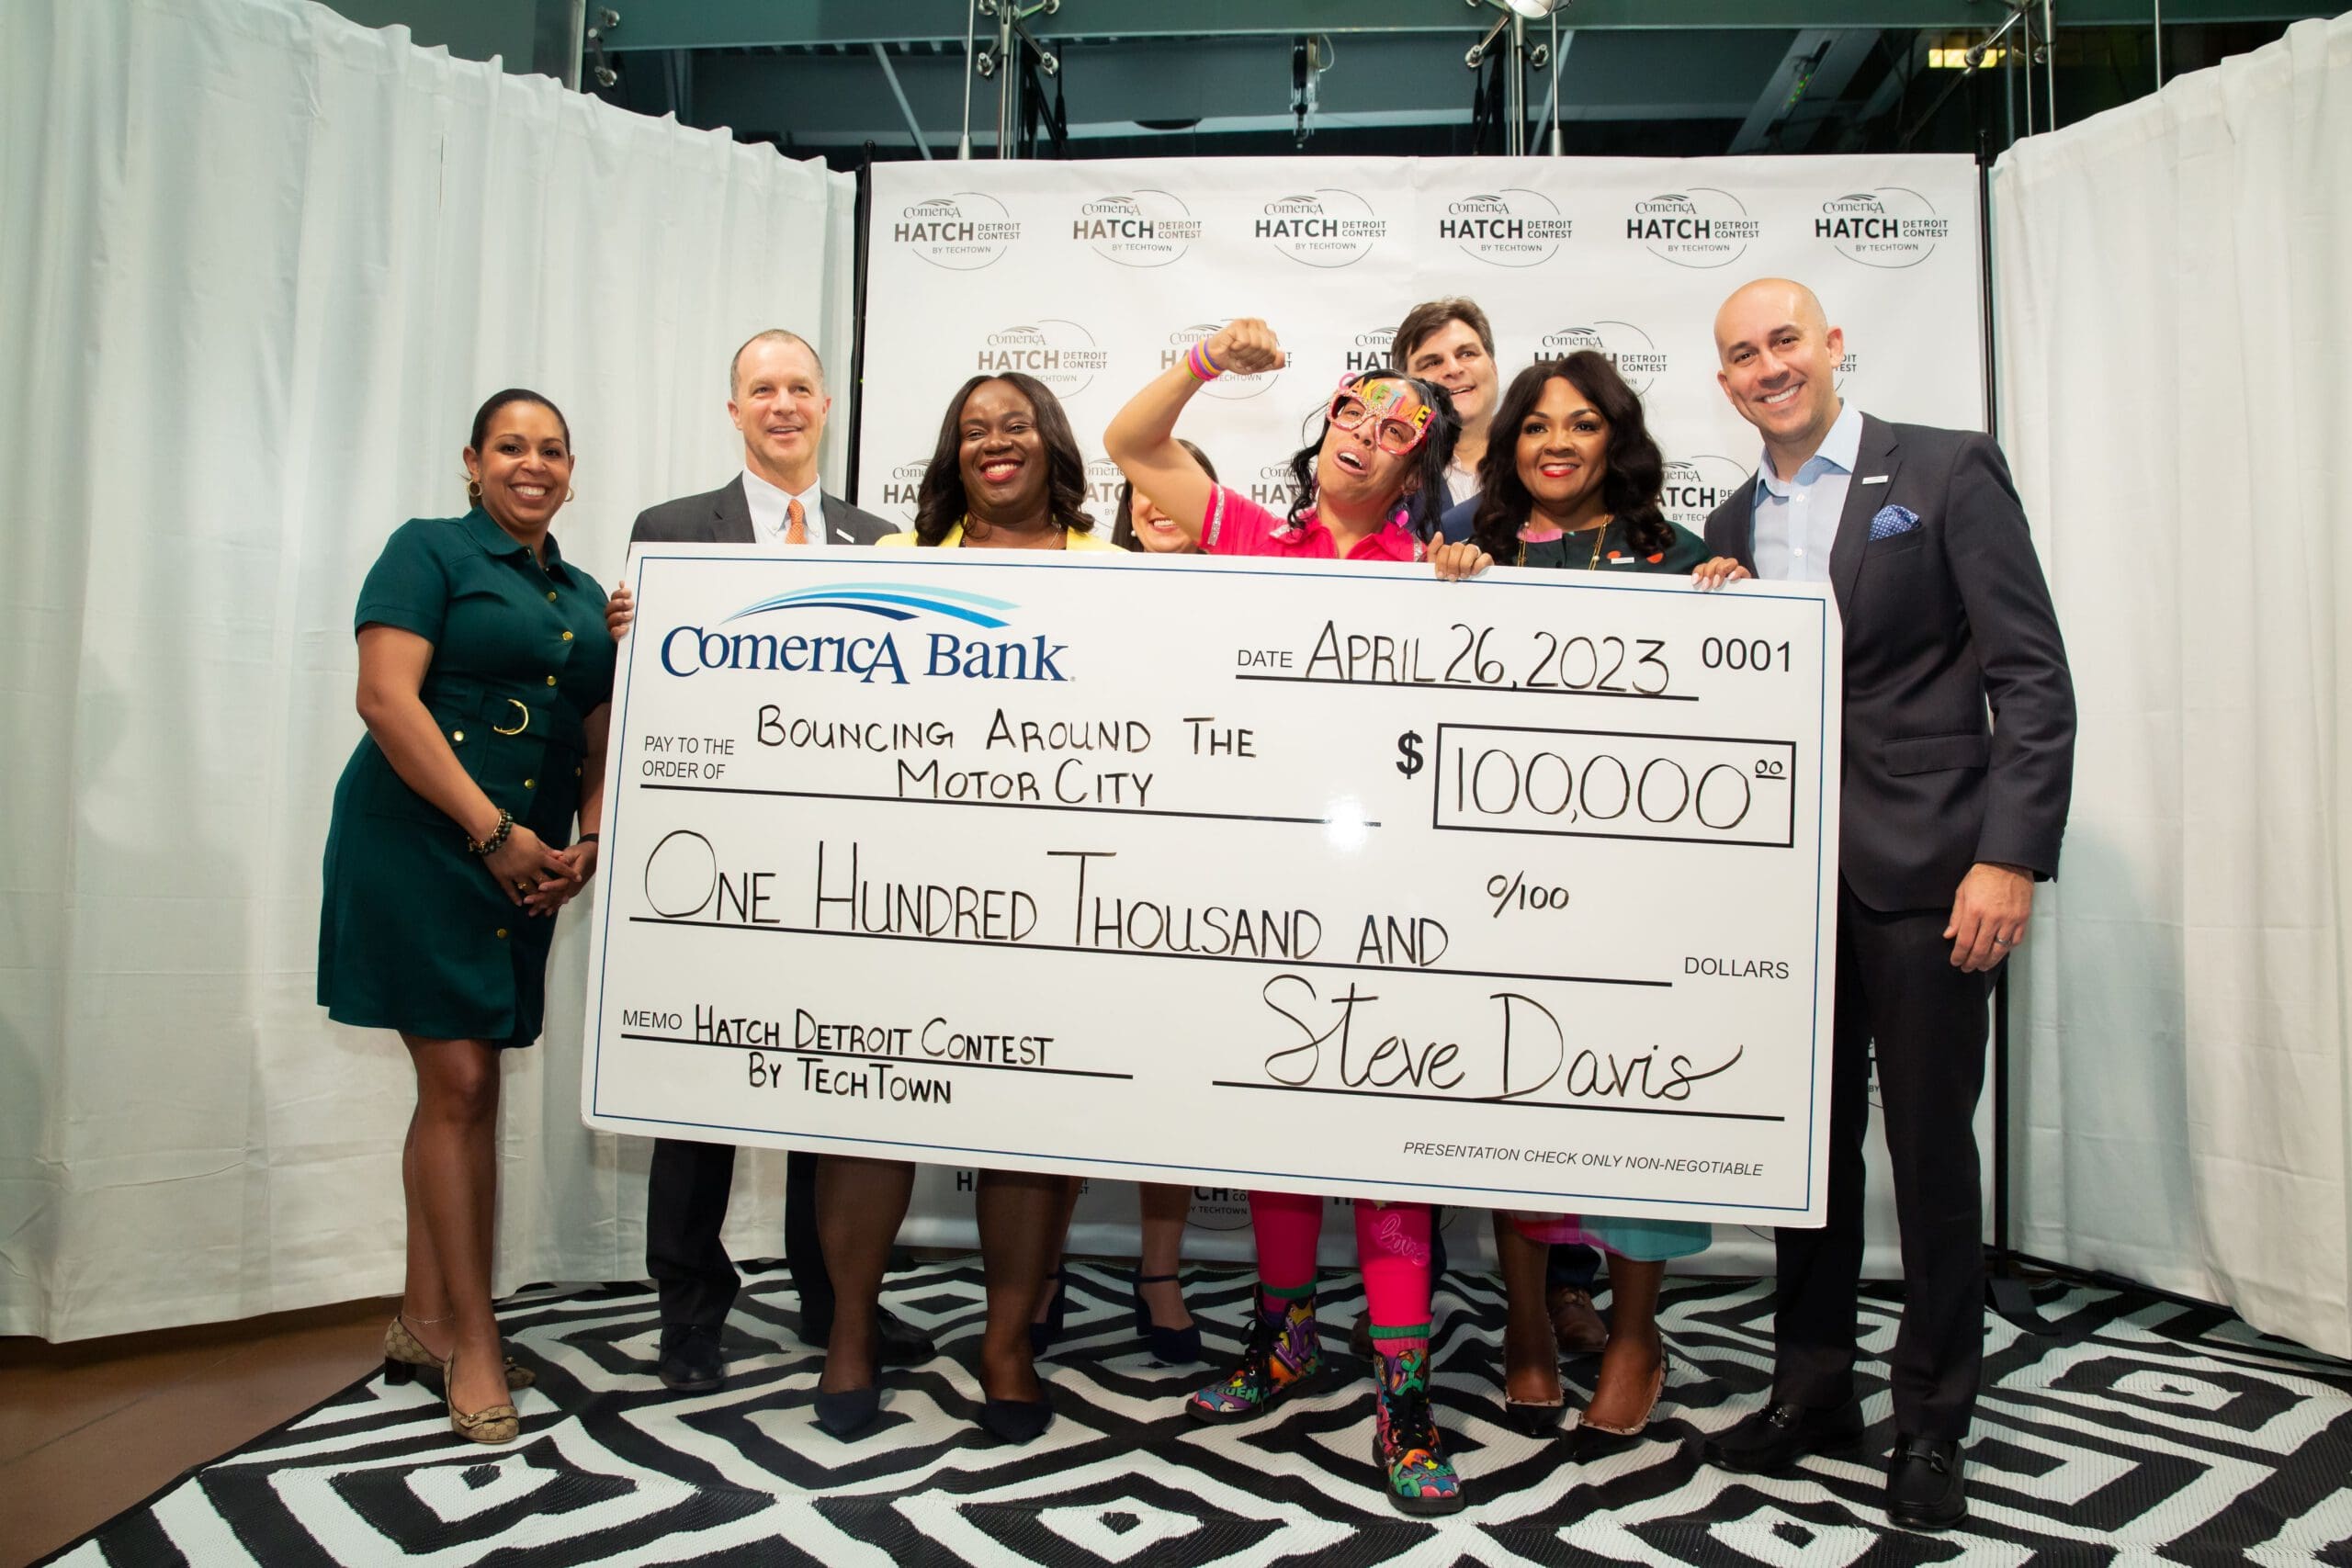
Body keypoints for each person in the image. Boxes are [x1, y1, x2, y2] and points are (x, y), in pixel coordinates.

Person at [1688, 279, 2075, 1530]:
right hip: (1785, 892)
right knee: (1805, 1163)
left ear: (1834, 346)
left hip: (1931, 874)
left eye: (1784, 341)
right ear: (1726, 381)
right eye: (1743, 355)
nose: (1768, 367)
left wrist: (2008, 854)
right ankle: (1813, 1390)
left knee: (1929, 1156)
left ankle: (1932, 1419)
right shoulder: (1729, 517)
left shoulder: (1949, 470)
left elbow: (2032, 676)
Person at [1104, 319, 1470, 1517]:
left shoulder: (1441, 567)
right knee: (1275, 1123)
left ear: (1417, 469)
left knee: (1387, 1152)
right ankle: (1285, 1337)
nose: (1365, 432)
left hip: (1395, 896)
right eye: (1355, 411)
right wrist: (1209, 361)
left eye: (1396, 428)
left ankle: (1402, 1393)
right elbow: (1129, 440)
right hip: (1264, 886)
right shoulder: (1257, 537)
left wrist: (1467, 591)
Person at [604, 330, 933, 1396]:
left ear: (827, 405)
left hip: (841, 860)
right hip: (712, 861)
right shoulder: (668, 534)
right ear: (733, 410)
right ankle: (690, 1312)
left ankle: (835, 1302)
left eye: (798, 387)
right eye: (762, 390)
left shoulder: (885, 542)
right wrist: (636, 638)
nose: (782, 405)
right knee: (698, 1092)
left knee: (823, 1088)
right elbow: (659, 696)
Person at [820, 371, 1110, 1445]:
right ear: (953, 456)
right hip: (905, 886)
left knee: (1029, 1120)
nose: (995, 441)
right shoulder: (896, 567)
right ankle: (852, 1331)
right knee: (870, 1110)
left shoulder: (1116, 573)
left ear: (1050, 445)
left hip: (1053, 896)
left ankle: (1004, 1341)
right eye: (972, 429)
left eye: (1015, 424)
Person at [1427, 354, 1713, 1438]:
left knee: (1645, 1107)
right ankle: (1532, 1326)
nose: (1557, 442)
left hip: (1647, 886)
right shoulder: (1469, 544)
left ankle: (1637, 1334)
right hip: (1498, 880)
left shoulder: (1672, 551)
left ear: (1614, 437)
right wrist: (1434, 587)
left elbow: (1733, 690)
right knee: (1517, 1102)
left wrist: (1728, 609)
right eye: (1536, 425)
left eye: (1582, 424)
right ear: (1509, 444)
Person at [321, 388, 614, 1445]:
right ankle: (475, 1342)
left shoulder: (582, 594)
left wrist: (583, 838)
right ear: (472, 460)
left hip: (523, 862)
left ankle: (422, 1316)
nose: (531, 465)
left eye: (551, 451)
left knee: (464, 1088)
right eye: (510, 448)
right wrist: (495, 836)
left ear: (571, 470)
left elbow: (595, 726)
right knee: (461, 1080)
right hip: (419, 844)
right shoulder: (428, 550)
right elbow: (387, 700)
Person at [1393, 297, 1502, 513]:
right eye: (1433, 362)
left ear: (1494, 368)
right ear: (1408, 387)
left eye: (1467, 354)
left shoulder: (1538, 462)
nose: (1453, 369)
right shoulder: (1388, 477)